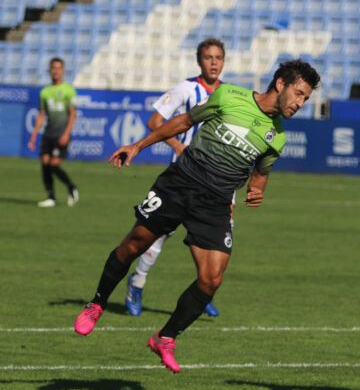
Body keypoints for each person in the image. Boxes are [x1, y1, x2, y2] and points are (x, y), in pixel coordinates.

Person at [73, 60, 321, 373]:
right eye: (299, 94)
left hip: (215, 203)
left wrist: (257, 190)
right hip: (181, 183)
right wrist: (137, 146)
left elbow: (260, 174)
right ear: (281, 83)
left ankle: (165, 337)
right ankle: (97, 303)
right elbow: (183, 122)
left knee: (211, 279)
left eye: (306, 99)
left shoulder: (277, 137)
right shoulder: (230, 96)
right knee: (134, 245)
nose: (301, 103)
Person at [124, 37, 225, 318]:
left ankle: (202, 293)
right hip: (181, 179)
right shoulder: (186, 89)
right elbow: (155, 121)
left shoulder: (228, 94)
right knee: (156, 238)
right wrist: (178, 146)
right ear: (199, 61)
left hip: (214, 183)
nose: (214, 62)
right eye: (208, 57)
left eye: (218, 57)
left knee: (207, 243)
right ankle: (137, 282)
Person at [28, 57, 79, 207]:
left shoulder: (68, 90)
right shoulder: (45, 92)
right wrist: (33, 136)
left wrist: (66, 133)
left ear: (63, 70)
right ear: (50, 70)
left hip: (61, 134)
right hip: (48, 134)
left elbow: (72, 114)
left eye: (58, 68)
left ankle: (71, 187)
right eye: (53, 68)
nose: (56, 71)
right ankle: (51, 197)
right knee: (45, 164)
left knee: (54, 165)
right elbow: (41, 114)